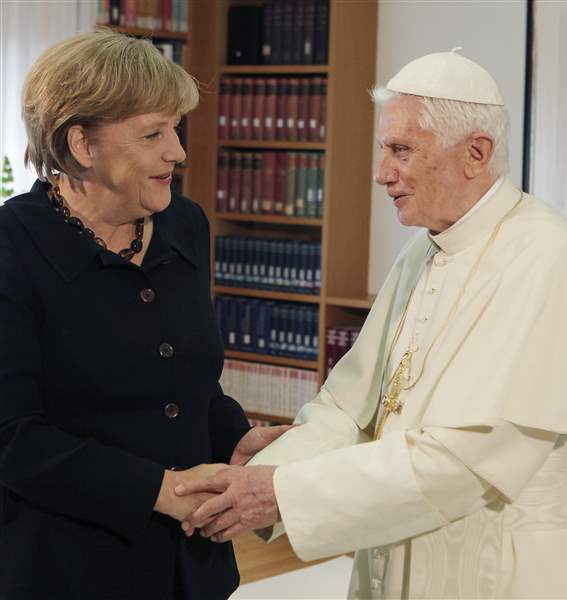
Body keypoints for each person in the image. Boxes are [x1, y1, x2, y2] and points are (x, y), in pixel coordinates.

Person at [176, 50, 567, 599]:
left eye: (401, 150)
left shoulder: (547, 255)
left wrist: (281, 493)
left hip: (493, 569)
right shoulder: (421, 250)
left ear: (476, 153)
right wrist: (259, 477)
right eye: (385, 149)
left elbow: (464, 461)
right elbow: (350, 409)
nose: (382, 173)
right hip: (393, 556)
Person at [0, 29, 290, 600]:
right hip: (65, 571)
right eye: (153, 133)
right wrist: (160, 488)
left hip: (194, 568)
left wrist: (232, 437)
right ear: (82, 144)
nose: (178, 151)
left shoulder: (186, 224)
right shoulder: (12, 246)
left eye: (175, 128)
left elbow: (193, 383)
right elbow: (11, 437)